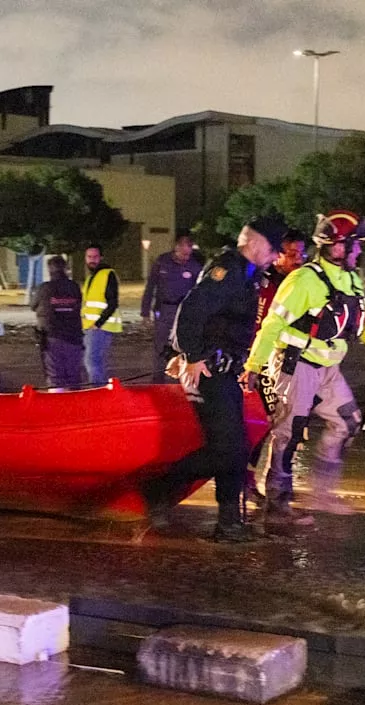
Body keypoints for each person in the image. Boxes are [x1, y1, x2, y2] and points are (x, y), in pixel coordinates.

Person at [244, 210, 365, 526]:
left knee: (348, 422)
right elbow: (272, 323)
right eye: (354, 245)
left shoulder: (350, 279)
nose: (358, 251)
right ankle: (277, 503)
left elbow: (364, 320)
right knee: (288, 434)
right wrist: (254, 365)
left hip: (327, 369)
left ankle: (321, 493)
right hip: (295, 367)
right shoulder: (304, 280)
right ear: (337, 245)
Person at [141, 216, 284, 542]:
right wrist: (192, 356)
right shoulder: (229, 270)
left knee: (235, 447)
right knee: (227, 449)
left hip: (224, 371)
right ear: (257, 242)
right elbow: (191, 310)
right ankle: (158, 488)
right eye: (274, 249)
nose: (276, 257)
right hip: (207, 371)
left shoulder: (246, 274)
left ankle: (229, 522)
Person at [243, 229, 308, 507]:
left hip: (290, 363)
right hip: (262, 362)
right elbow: (260, 324)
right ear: (278, 255)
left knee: (288, 424)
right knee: (265, 424)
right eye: (291, 253)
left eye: (301, 253)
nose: (298, 259)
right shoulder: (266, 283)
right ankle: (247, 483)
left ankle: (280, 479)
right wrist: (253, 364)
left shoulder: (303, 281)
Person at [141, 234, 203, 383]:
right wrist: (145, 312)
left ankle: (179, 381)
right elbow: (150, 286)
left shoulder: (195, 267)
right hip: (164, 310)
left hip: (184, 312)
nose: (186, 255)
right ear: (176, 247)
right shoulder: (162, 262)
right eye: (183, 250)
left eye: (189, 251)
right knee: (160, 346)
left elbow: (200, 292)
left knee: (181, 346)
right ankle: (158, 381)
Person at [30, 255, 85, 387]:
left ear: (49, 269)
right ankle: (76, 404)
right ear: (65, 268)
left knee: (55, 377)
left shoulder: (44, 288)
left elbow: (33, 305)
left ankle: (57, 405)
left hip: (52, 337)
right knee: (74, 377)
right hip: (73, 337)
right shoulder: (74, 287)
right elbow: (79, 303)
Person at [81, 244, 122, 385]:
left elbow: (113, 302)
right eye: (89, 257)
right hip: (90, 327)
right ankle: (102, 391)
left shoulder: (107, 274)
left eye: (95, 257)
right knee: (94, 361)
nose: (92, 260)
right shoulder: (91, 277)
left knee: (92, 361)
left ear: (101, 258)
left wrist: (98, 324)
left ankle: (98, 391)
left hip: (100, 327)